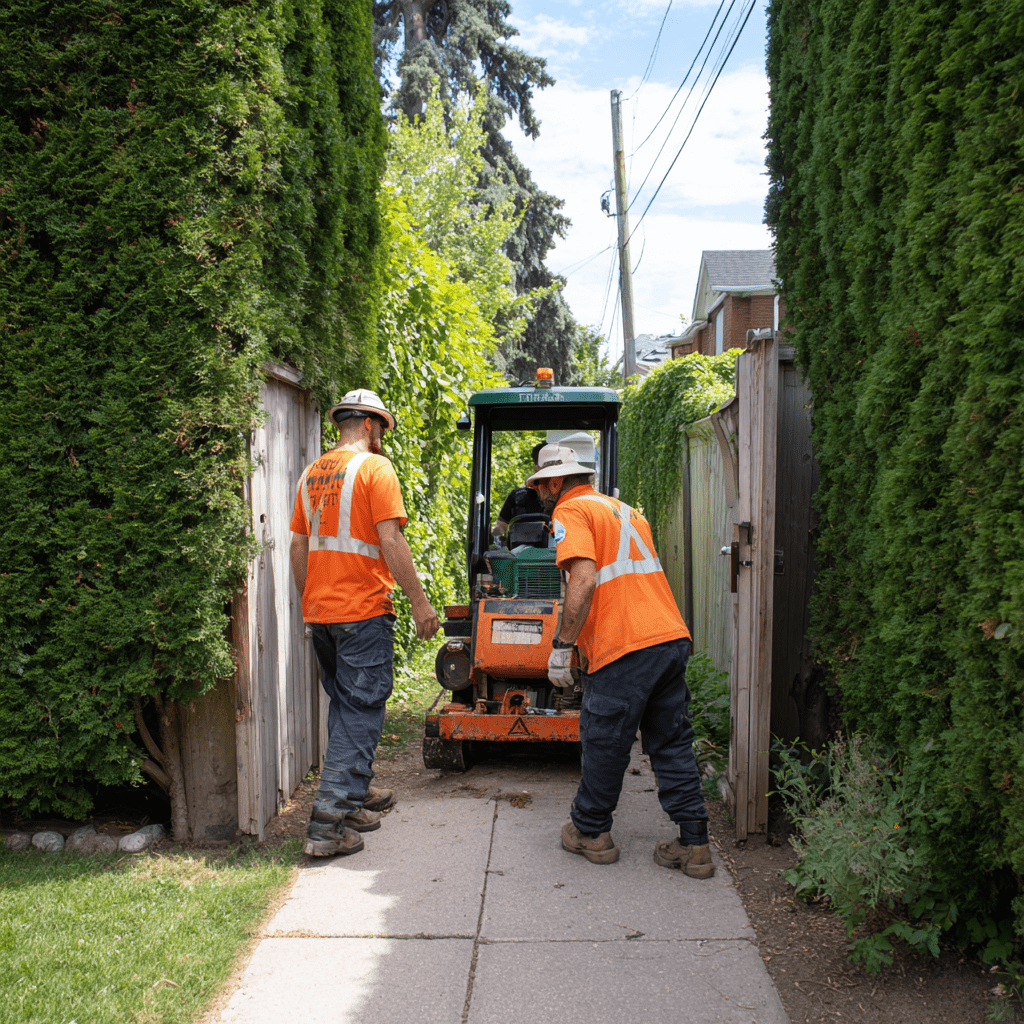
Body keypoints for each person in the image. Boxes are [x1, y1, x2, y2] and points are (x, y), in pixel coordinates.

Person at [526, 443, 714, 878]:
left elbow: (585, 578)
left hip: (623, 645)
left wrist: (562, 645)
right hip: (667, 637)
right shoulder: (626, 510)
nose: (540, 494)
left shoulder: (570, 513)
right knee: (670, 742)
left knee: (604, 740)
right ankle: (695, 844)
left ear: (556, 482)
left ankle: (591, 831)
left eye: (541, 486)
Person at [289, 388, 439, 857]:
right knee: (361, 709)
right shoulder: (376, 468)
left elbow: (298, 547)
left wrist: (309, 602)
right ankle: (327, 826)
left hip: (324, 615)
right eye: (382, 432)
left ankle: (351, 801)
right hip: (363, 611)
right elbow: (390, 538)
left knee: (345, 707)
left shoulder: (311, 473)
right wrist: (419, 602)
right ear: (372, 427)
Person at [491, 441, 547, 544]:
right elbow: (501, 525)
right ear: (536, 469)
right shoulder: (517, 497)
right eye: (542, 465)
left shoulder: (565, 497)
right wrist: (497, 536)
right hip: (519, 556)